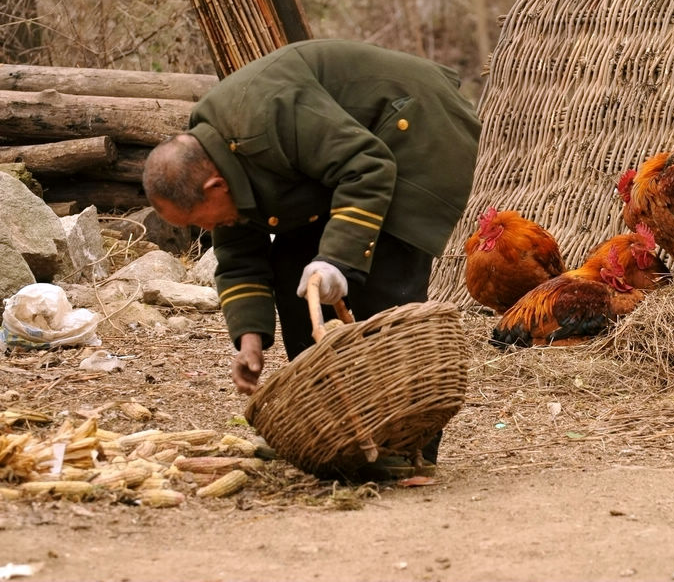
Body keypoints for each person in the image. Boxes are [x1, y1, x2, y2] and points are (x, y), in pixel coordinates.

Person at [143, 39, 481, 476]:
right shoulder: (207, 152)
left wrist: (337, 261)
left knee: (378, 278)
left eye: (200, 221)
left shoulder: (265, 116)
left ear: (215, 188)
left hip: (412, 123)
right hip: (344, 160)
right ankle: (341, 437)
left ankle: (405, 446)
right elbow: (240, 252)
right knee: (296, 271)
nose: (205, 231)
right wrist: (250, 338)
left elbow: (367, 167)